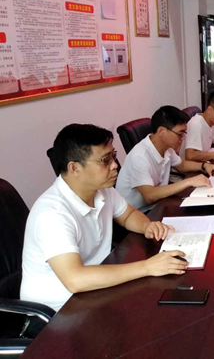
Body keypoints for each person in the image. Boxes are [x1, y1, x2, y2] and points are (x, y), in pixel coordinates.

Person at [21, 124, 189, 313]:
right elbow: (76, 279)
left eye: (113, 156)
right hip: (58, 312)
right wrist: (147, 267)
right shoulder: (52, 214)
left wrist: (147, 226)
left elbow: (128, 215)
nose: (115, 165)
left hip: (97, 288)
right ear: (74, 168)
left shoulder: (102, 191)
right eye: (105, 160)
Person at [116, 106, 214, 211]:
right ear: (161, 131)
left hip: (159, 203)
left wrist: (204, 165)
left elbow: (181, 165)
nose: (183, 138)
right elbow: (149, 196)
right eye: (180, 134)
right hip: (139, 213)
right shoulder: (140, 156)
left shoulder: (167, 149)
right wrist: (189, 182)